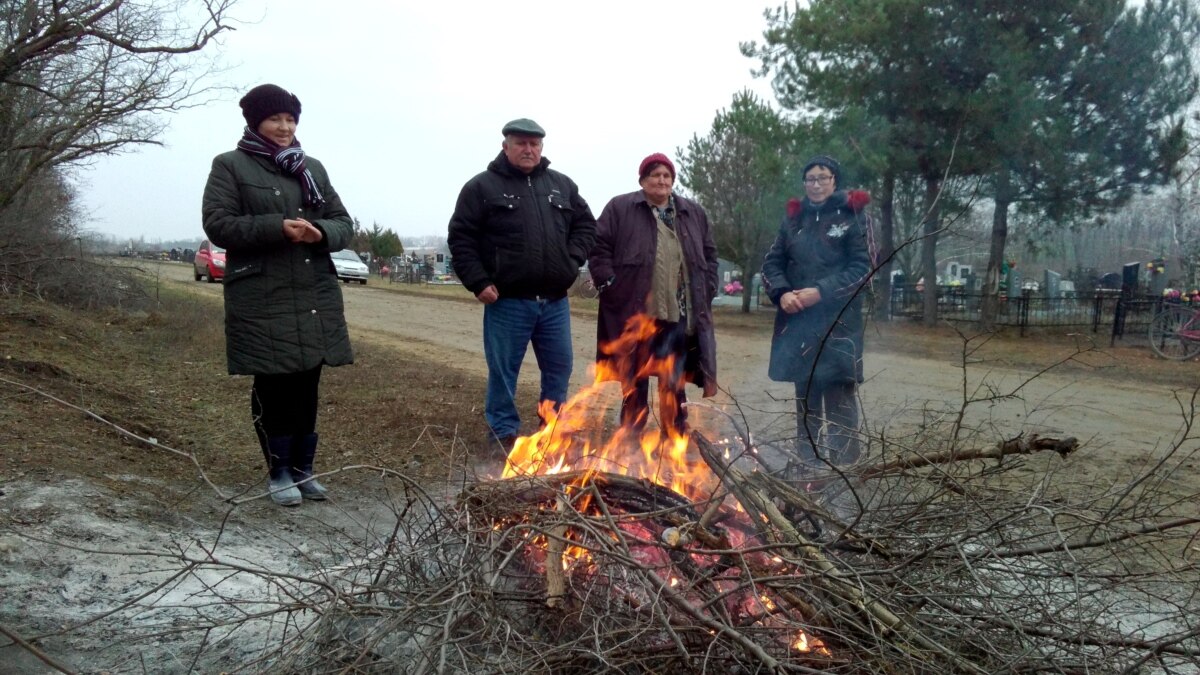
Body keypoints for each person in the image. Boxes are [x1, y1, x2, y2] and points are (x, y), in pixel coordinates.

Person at [202, 84, 354, 506]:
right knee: (274, 385)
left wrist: (320, 232)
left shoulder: (312, 168)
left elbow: (344, 222)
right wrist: (277, 227)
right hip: (262, 293)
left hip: (312, 291)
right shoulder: (230, 166)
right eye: (275, 119)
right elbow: (218, 224)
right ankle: (279, 472)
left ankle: (305, 470)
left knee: (308, 381)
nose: (285, 127)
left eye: (290, 120)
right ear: (255, 122)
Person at [447, 118, 597, 453]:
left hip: (555, 303)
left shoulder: (562, 186)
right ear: (506, 146)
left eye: (534, 144)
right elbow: (461, 239)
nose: (528, 149)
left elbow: (587, 225)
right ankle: (503, 435)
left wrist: (571, 259)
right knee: (503, 373)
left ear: (542, 148)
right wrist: (478, 281)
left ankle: (552, 430)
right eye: (521, 143)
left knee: (559, 368)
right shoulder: (481, 188)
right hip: (507, 302)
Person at [588, 153, 719, 436]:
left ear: (672, 181)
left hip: (679, 315)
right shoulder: (620, 208)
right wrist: (609, 283)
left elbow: (710, 254)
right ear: (642, 180)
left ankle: (674, 436)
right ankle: (631, 436)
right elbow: (598, 248)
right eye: (654, 175)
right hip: (635, 313)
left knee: (673, 379)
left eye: (666, 176)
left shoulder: (691, 212)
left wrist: (708, 288)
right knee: (634, 378)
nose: (661, 180)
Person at [761, 154, 873, 469]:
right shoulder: (793, 220)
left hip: (839, 327)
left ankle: (845, 470)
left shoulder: (853, 216)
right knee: (806, 400)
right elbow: (772, 263)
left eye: (823, 177)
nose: (816, 184)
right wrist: (782, 293)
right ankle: (808, 466)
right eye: (810, 178)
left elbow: (863, 269)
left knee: (839, 400)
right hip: (799, 328)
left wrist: (820, 291)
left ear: (834, 180)